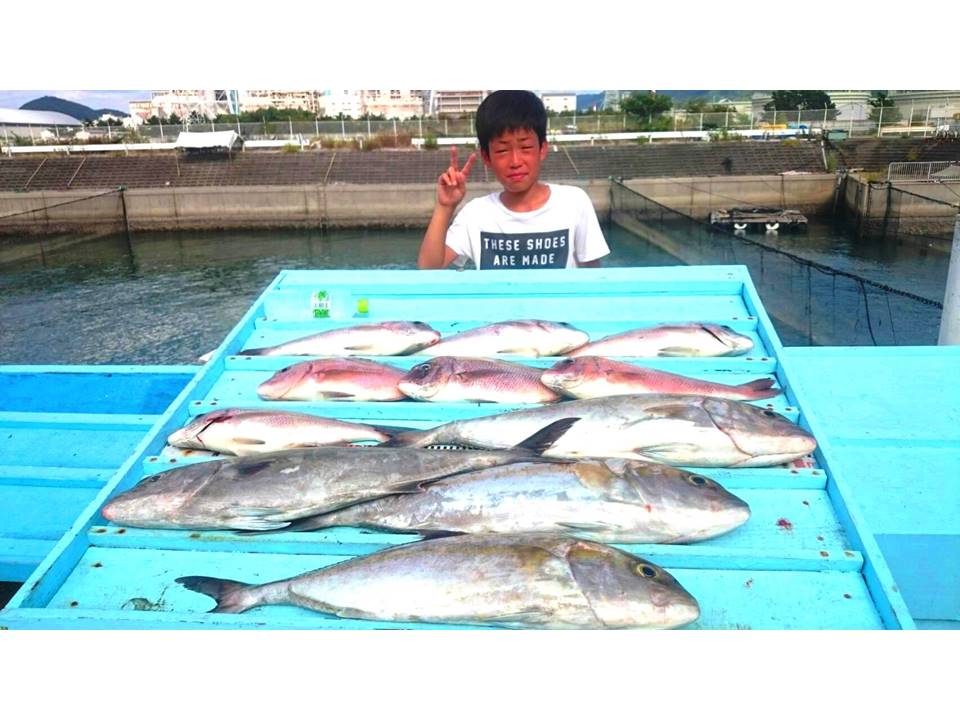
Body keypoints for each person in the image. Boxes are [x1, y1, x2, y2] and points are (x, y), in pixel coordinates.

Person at [417, 90, 610, 270]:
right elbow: (428, 270)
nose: (515, 162)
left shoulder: (574, 202)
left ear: (542, 149)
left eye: (525, 148)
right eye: (502, 151)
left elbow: (592, 278)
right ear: (486, 157)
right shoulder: (475, 215)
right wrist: (445, 207)